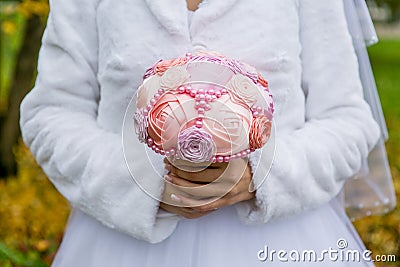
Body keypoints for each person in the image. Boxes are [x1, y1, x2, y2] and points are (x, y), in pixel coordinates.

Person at [20, 0, 381, 266]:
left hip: (283, 246)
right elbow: (51, 113)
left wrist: (261, 175)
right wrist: (143, 182)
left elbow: (348, 120)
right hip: (120, 247)